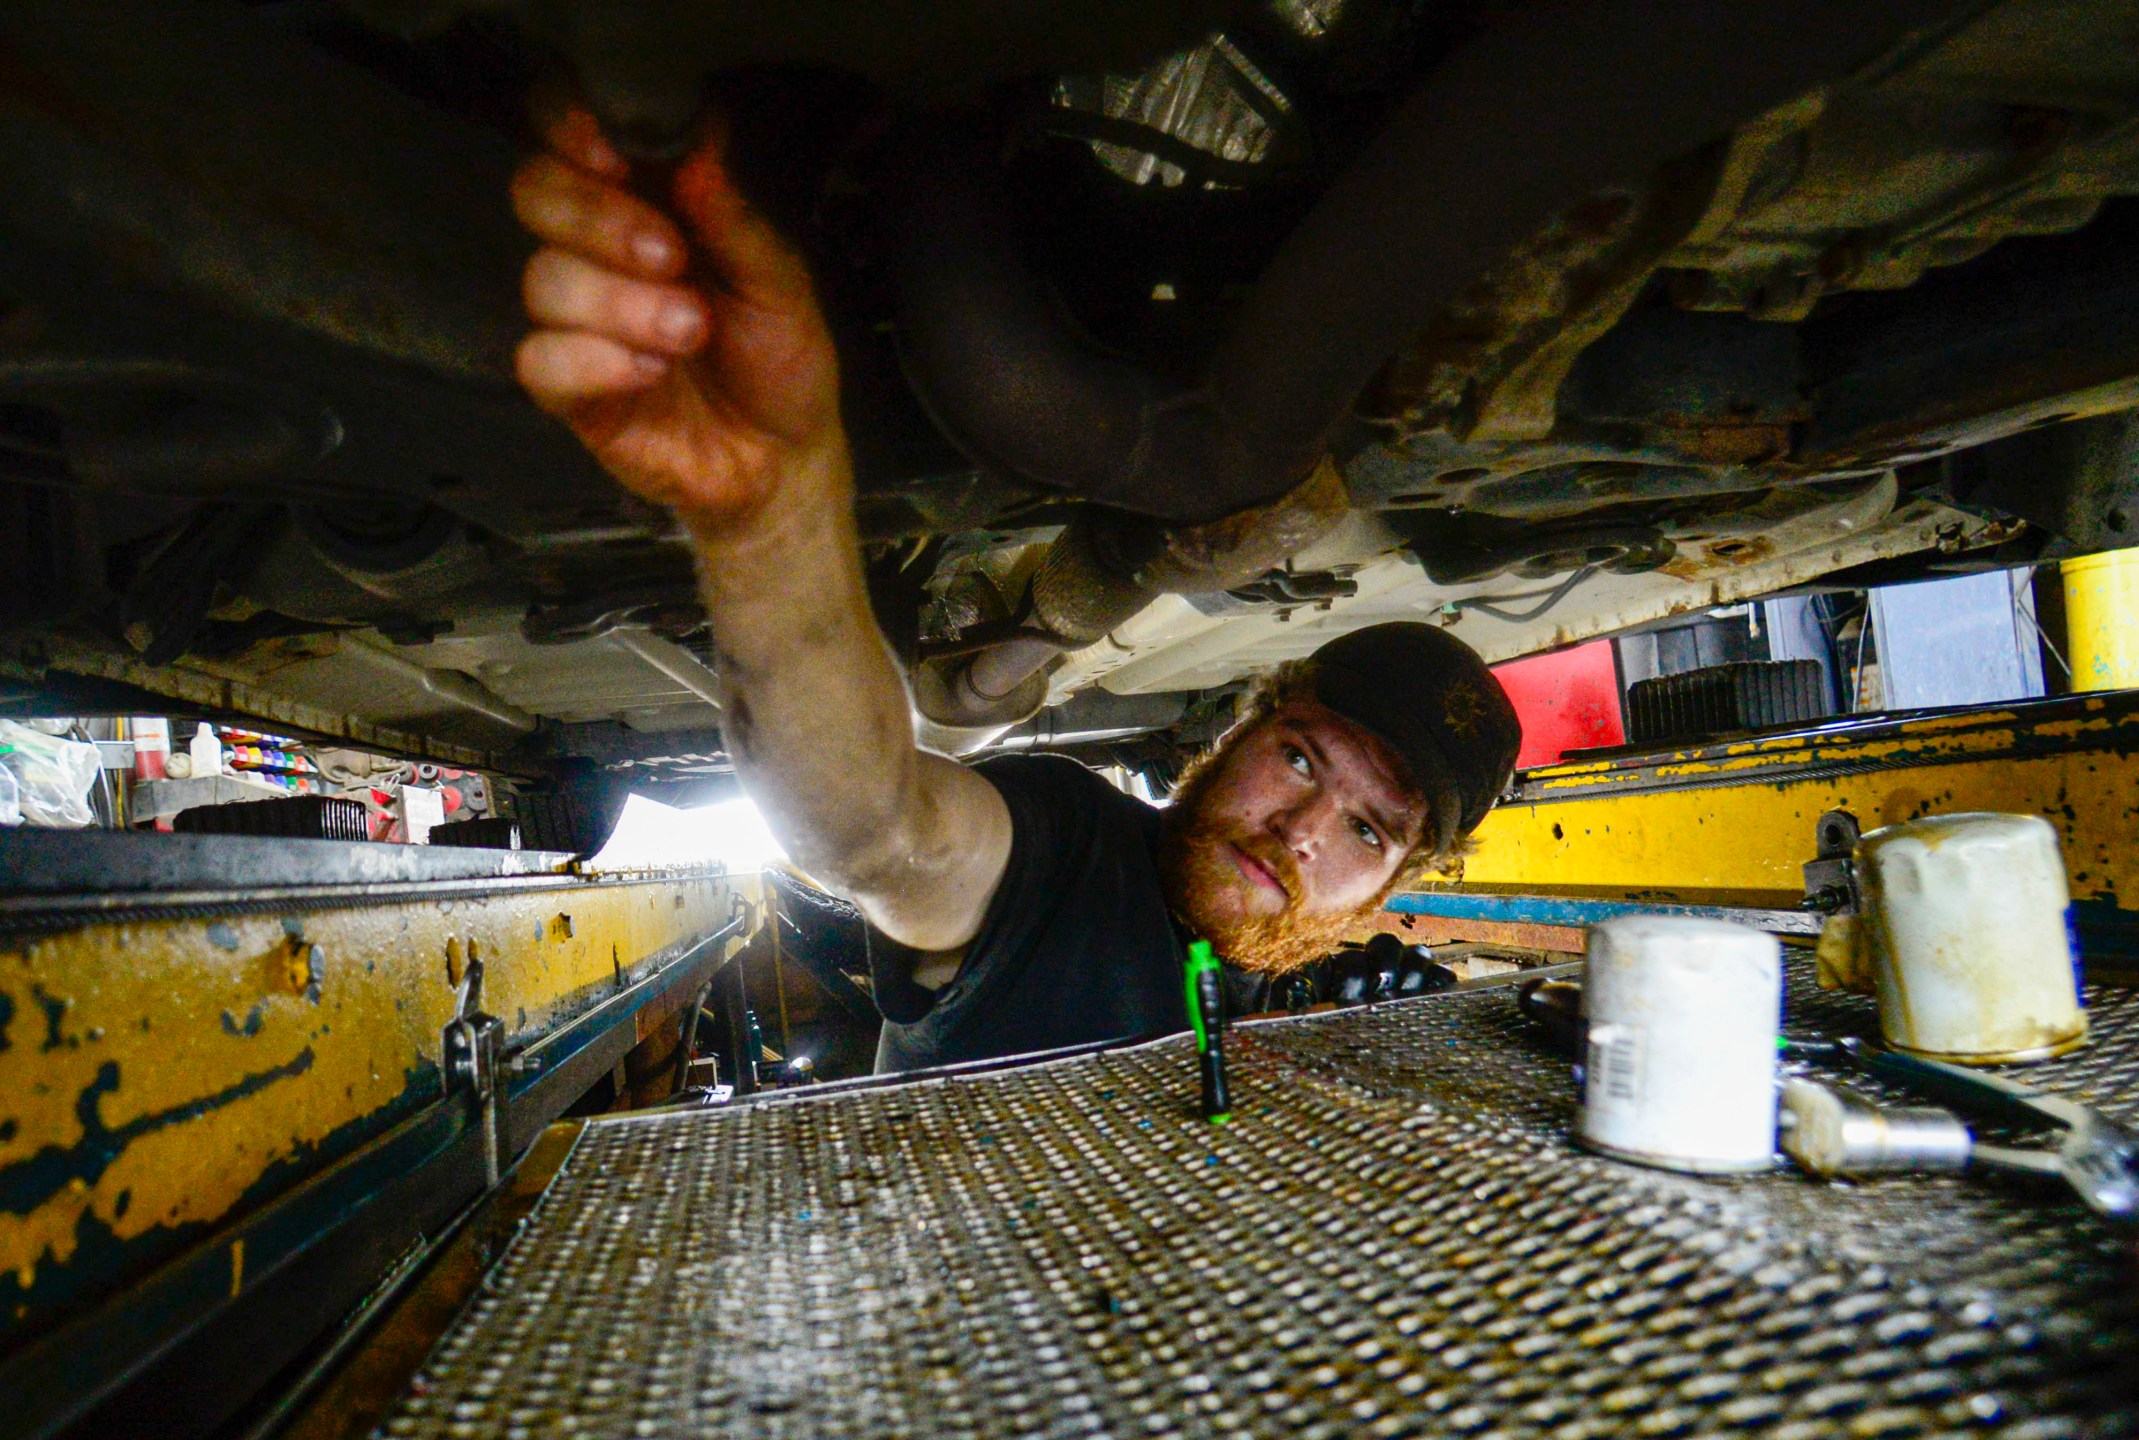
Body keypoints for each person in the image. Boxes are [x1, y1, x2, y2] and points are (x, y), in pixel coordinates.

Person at [509, 109, 1522, 1072]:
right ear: (1237, 734)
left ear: (1391, 884)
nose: (1300, 829)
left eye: (1364, 830)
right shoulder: (1064, 850)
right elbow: (875, 831)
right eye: (1299, 757)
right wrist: (767, 514)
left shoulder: (1313, 994)